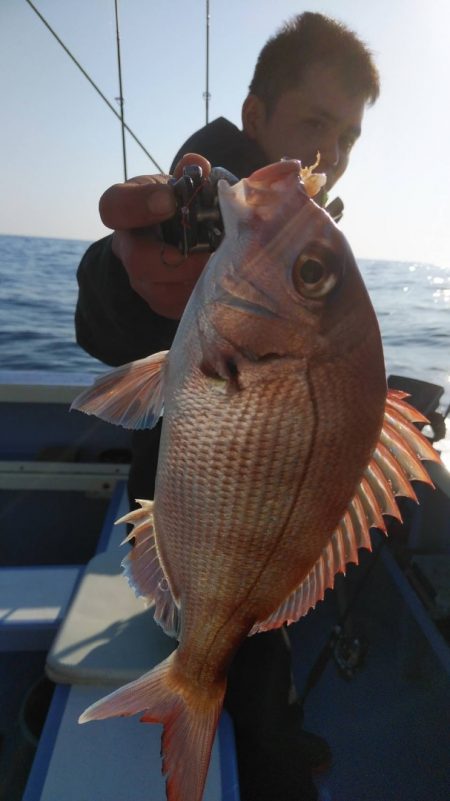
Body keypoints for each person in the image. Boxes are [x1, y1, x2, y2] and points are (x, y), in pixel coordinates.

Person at [75, 12, 380, 801]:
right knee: (260, 716)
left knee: (265, 668)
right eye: (314, 121)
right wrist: (128, 270)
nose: (331, 153)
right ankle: (243, 727)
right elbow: (110, 313)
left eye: (347, 134)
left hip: (258, 554)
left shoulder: (296, 232)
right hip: (196, 534)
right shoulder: (205, 213)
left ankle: (250, 709)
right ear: (255, 116)